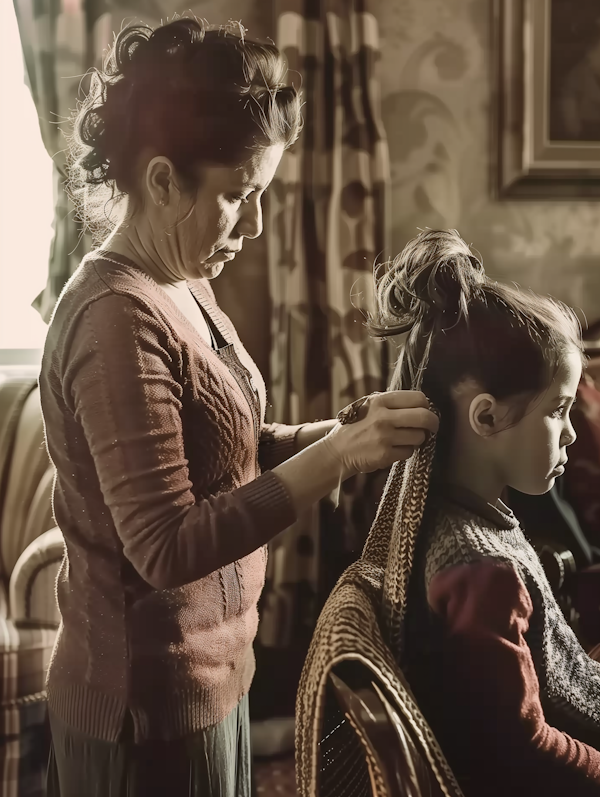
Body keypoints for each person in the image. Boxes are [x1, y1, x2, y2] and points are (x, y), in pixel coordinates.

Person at [38, 17, 438, 797]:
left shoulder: (180, 280)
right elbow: (164, 545)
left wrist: (350, 431)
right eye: (238, 195)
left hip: (212, 683)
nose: (254, 225)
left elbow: (231, 447)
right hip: (139, 714)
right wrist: (337, 459)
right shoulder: (113, 319)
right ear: (161, 181)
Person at [295, 229, 600, 797]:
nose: (573, 432)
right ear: (485, 418)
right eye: (558, 410)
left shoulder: (457, 520)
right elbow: (520, 747)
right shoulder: (478, 569)